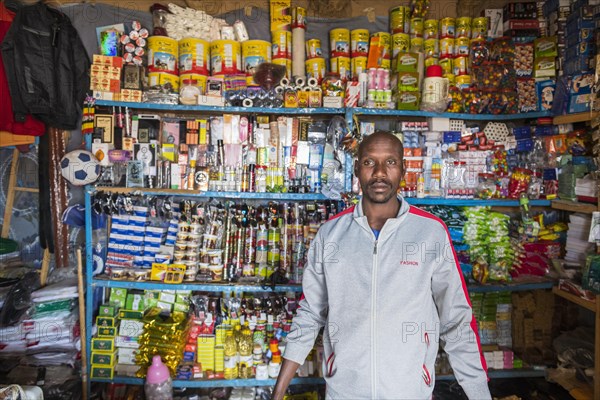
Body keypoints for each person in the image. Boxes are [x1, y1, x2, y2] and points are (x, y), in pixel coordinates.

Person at [273, 132, 491, 399]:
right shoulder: (330, 234)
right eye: (368, 162)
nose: (379, 173)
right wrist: (279, 391)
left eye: (390, 162)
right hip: (344, 392)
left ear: (403, 169)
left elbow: (456, 319)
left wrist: (479, 393)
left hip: (409, 392)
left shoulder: (430, 232)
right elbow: (309, 314)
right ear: (356, 169)